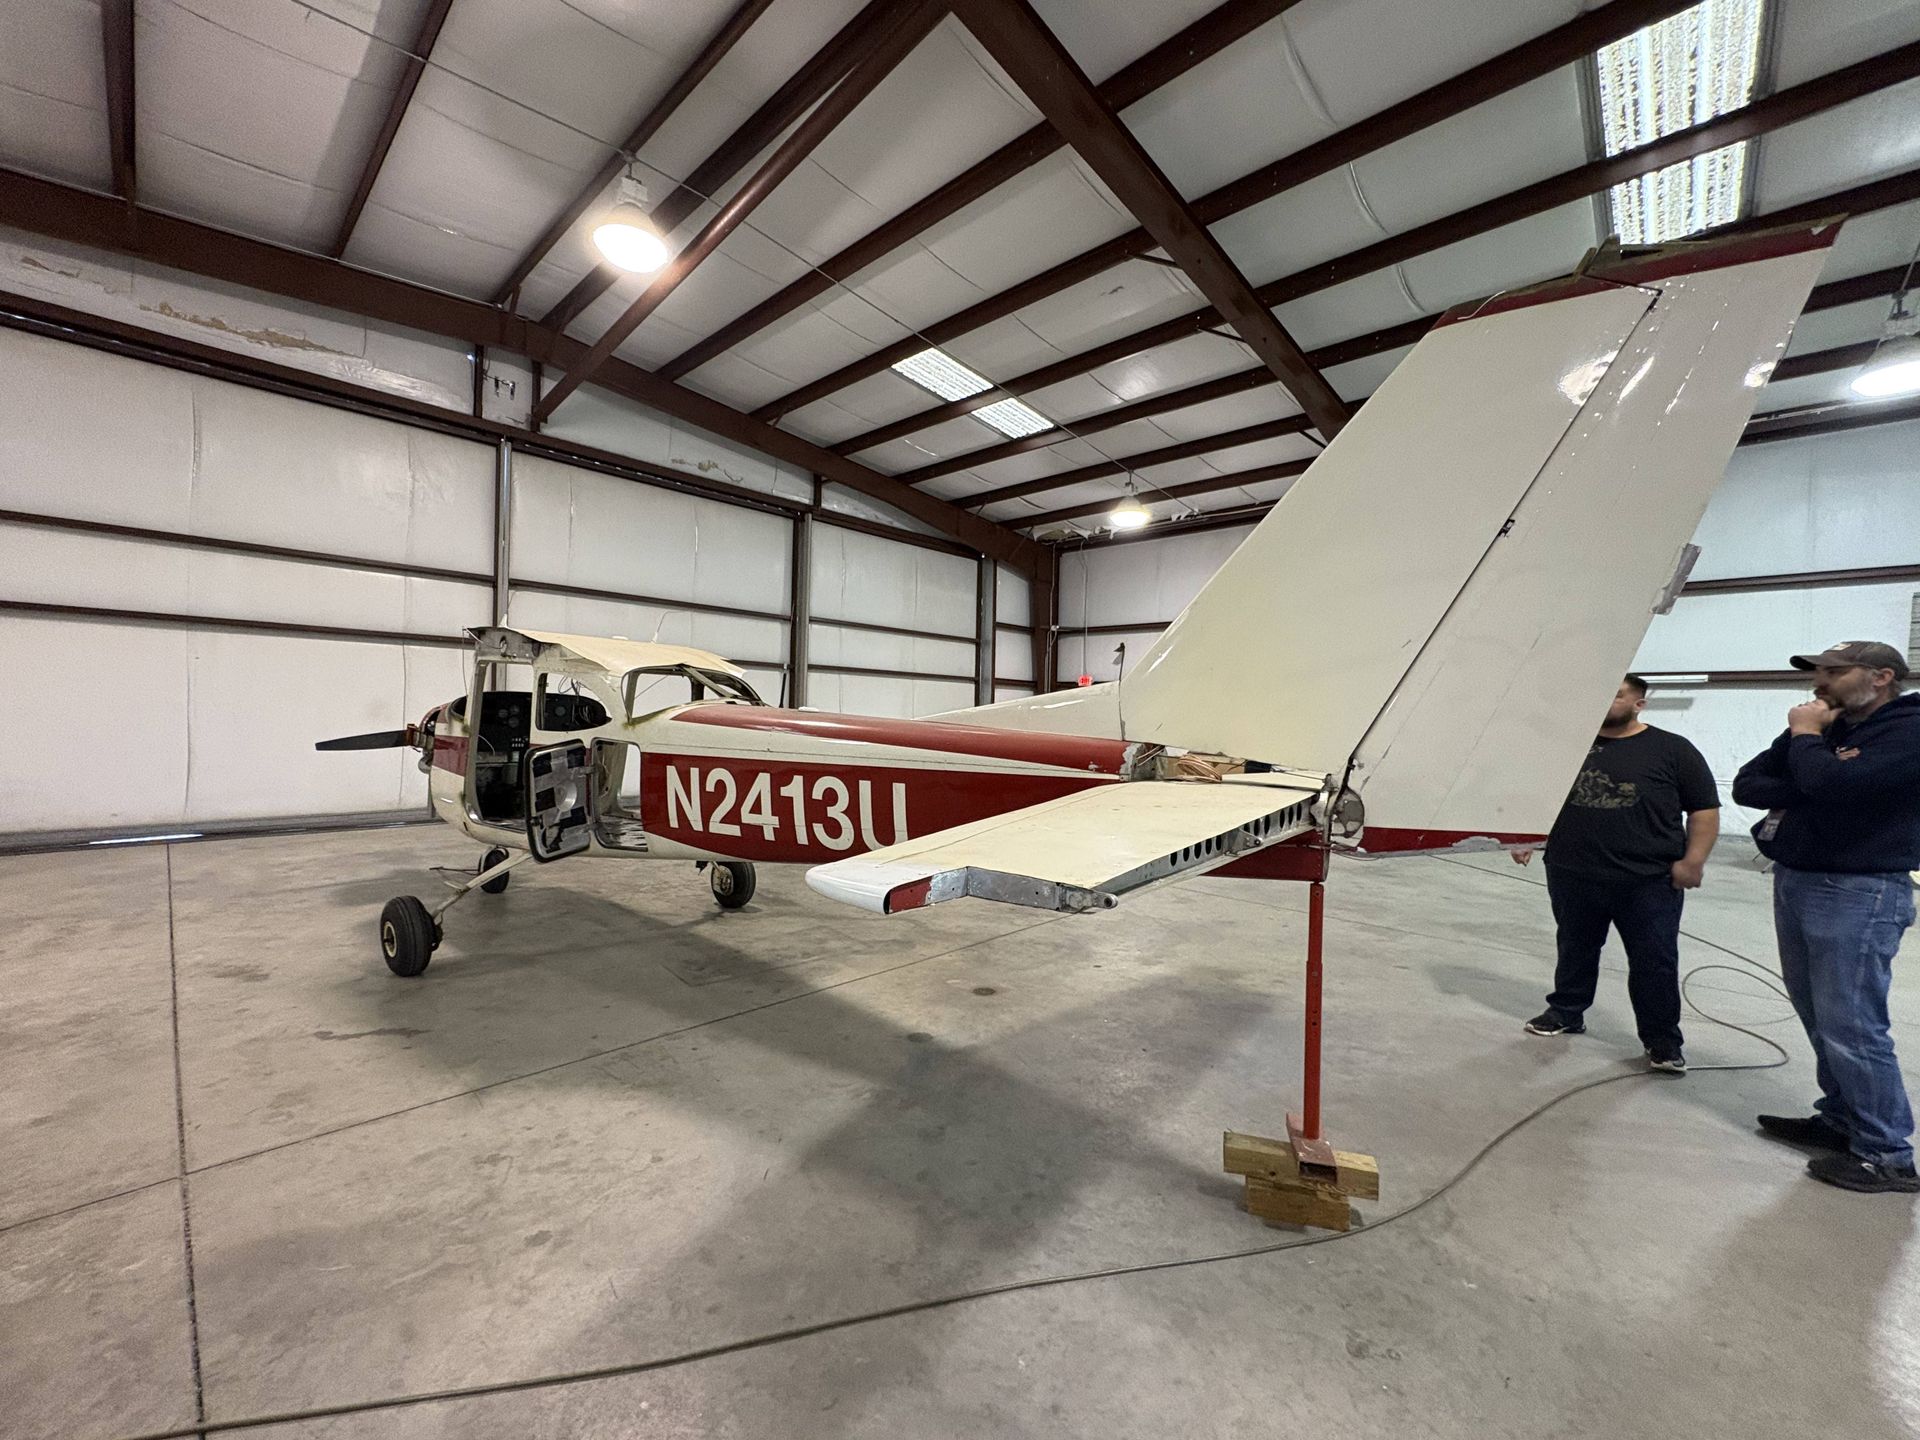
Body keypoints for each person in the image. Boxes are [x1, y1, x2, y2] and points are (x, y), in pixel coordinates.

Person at [1732, 640, 1920, 1195]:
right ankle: (1840, 1120)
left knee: (1854, 1026)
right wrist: (1817, 762)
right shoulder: (1829, 729)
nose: (1820, 682)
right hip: (1798, 878)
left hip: (1859, 890)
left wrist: (1810, 746)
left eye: (1833, 672)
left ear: (1881, 676)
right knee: (1819, 1016)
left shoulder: (1907, 729)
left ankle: (1887, 1153)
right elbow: (1749, 783)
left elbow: (1836, 784)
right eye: (1819, 672)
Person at [1519, 675, 1721, 1072]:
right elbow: (1536, 794)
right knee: (1575, 946)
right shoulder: (1569, 747)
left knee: (1654, 960)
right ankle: (1566, 1011)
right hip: (1571, 870)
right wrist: (1521, 836)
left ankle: (1662, 1040)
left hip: (1648, 879)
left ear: (1639, 704)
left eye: (1617, 694)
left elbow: (1704, 809)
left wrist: (1693, 860)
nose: (1605, 701)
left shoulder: (1673, 750)